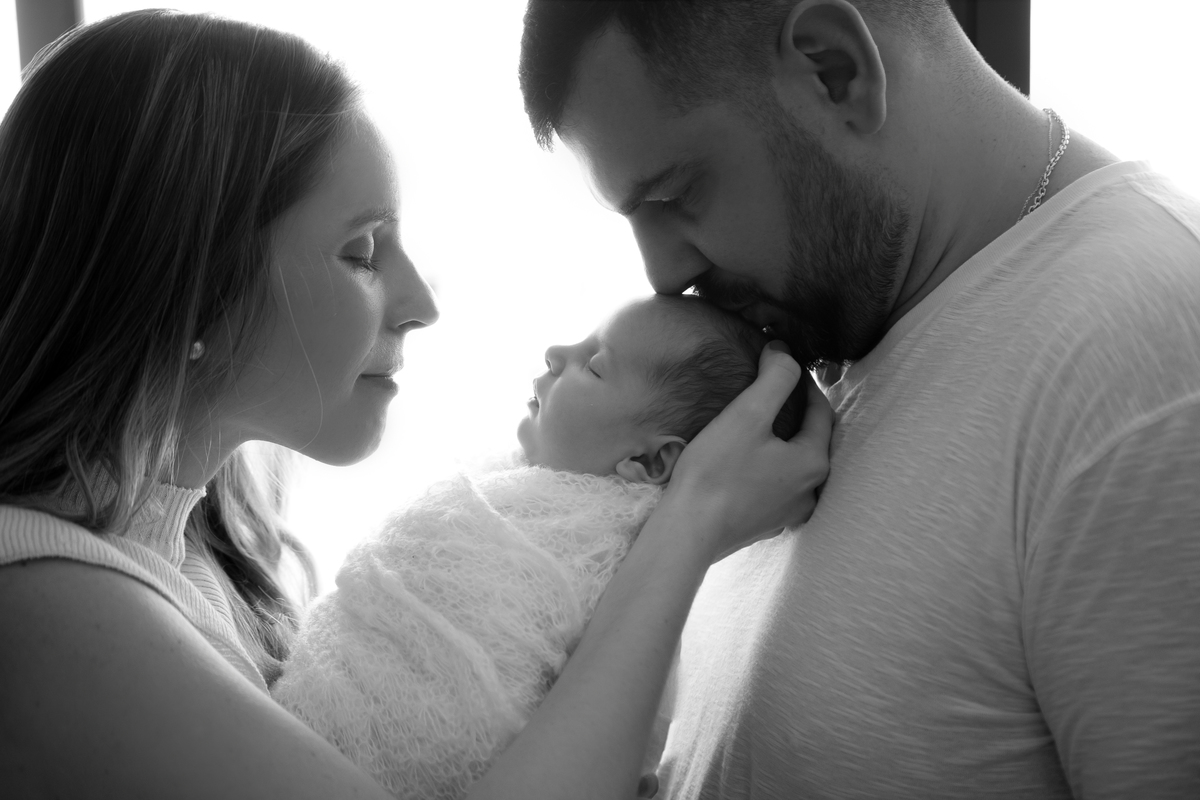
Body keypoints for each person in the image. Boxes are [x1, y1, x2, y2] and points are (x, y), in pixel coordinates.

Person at [0, 9, 834, 800]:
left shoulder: (196, 556)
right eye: (362, 252)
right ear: (188, 286)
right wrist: (687, 523)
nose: (421, 305)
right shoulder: (44, 607)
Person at [518, 1, 1200, 798]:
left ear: (834, 70)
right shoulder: (806, 354)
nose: (663, 275)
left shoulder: (1146, 359)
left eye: (676, 195)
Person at [272, 295, 805, 800]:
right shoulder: (515, 492)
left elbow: (616, 708)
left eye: (594, 366)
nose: (555, 352)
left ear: (649, 462)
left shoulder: (619, 560)